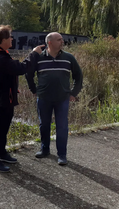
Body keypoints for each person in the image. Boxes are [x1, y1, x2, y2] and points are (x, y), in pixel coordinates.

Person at [0, 25, 43, 172]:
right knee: (0, 129)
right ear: (3, 40)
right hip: (2, 98)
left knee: (3, 127)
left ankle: (2, 153)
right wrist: (34, 53)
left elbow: (8, 72)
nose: (12, 39)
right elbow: (21, 68)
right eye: (10, 37)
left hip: (4, 96)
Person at [25, 32, 83, 165]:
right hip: (44, 98)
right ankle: (44, 149)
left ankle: (62, 154)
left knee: (62, 126)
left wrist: (74, 93)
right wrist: (34, 90)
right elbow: (28, 74)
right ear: (49, 43)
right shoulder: (39, 58)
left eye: (62, 39)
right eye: (59, 40)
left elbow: (78, 76)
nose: (62, 42)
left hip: (62, 98)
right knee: (44, 125)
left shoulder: (69, 58)